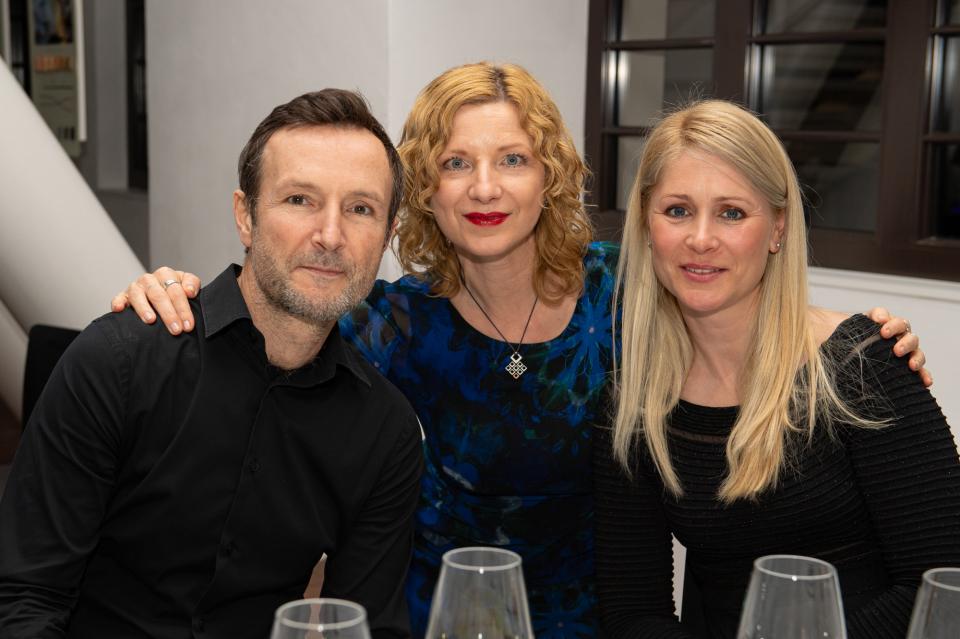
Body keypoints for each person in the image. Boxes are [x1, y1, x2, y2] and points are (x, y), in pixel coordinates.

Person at [112, 63, 927, 638]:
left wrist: (866, 343)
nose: (485, 187)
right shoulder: (393, 325)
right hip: (436, 624)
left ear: (551, 177)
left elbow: (739, 302)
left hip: (597, 625)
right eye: (455, 163)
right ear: (423, 189)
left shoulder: (624, 297)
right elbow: (274, 324)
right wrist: (176, 290)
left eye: (512, 160)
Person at [0, 89, 424, 639]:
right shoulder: (119, 362)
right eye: (300, 199)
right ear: (245, 217)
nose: (330, 235)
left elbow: (364, 626)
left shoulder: (384, 432)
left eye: (360, 209)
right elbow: (25, 597)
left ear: (387, 236)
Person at [594, 99, 960, 639]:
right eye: (677, 210)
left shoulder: (864, 365)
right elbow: (633, 610)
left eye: (732, 213)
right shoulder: (633, 397)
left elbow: (941, 587)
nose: (701, 238)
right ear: (647, 226)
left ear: (777, 229)